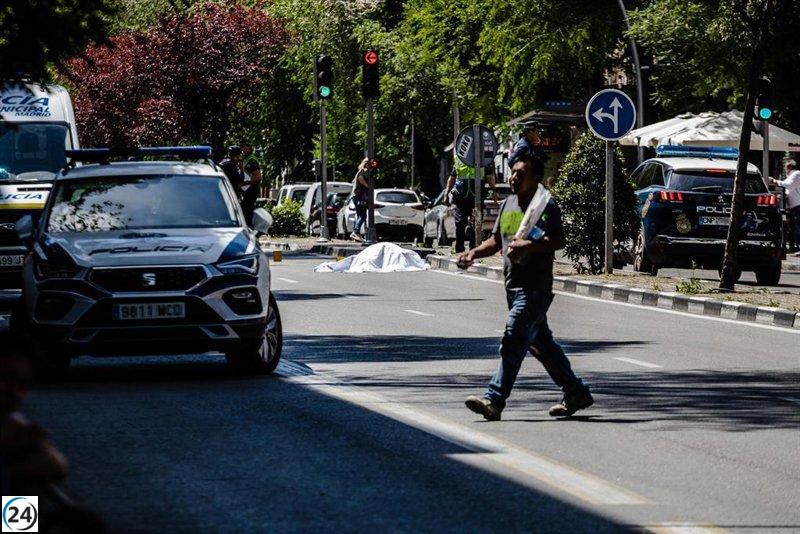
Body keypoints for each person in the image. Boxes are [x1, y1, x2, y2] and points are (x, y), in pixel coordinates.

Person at [458, 147, 593, 421]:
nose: (514, 178)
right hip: (512, 286)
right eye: (513, 173)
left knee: (513, 338)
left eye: (521, 173)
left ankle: (494, 400)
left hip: (535, 288)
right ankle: (575, 391)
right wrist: (473, 253)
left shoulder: (545, 205)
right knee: (542, 345)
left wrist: (529, 245)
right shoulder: (508, 204)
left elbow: (558, 240)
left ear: (537, 177)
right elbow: (497, 240)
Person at [444, 155, 498, 253]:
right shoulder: (460, 158)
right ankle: (459, 249)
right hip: (461, 197)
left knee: (476, 224)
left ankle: (474, 249)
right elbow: (452, 177)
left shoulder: (483, 159)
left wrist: (494, 190)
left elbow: (490, 176)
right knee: (460, 223)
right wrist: (446, 193)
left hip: (477, 197)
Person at [770, 159, 800, 254]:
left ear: (789, 167)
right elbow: (787, 190)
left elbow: (788, 185)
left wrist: (775, 181)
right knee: (794, 227)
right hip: (794, 206)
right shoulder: (792, 176)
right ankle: (795, 246)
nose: (785, 170)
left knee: (797, 226)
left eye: (785, 168)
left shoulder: (796, 174)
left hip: (798, 205)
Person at [350, 158, 370, 241]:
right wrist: (368, 186)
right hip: (361, 196)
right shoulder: (363, 171)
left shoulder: (359, 171)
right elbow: (360, 179)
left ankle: (355, 233)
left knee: (359, 215)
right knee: (362, 215)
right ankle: (356, 232)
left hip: (356, 196)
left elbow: (353, 181)